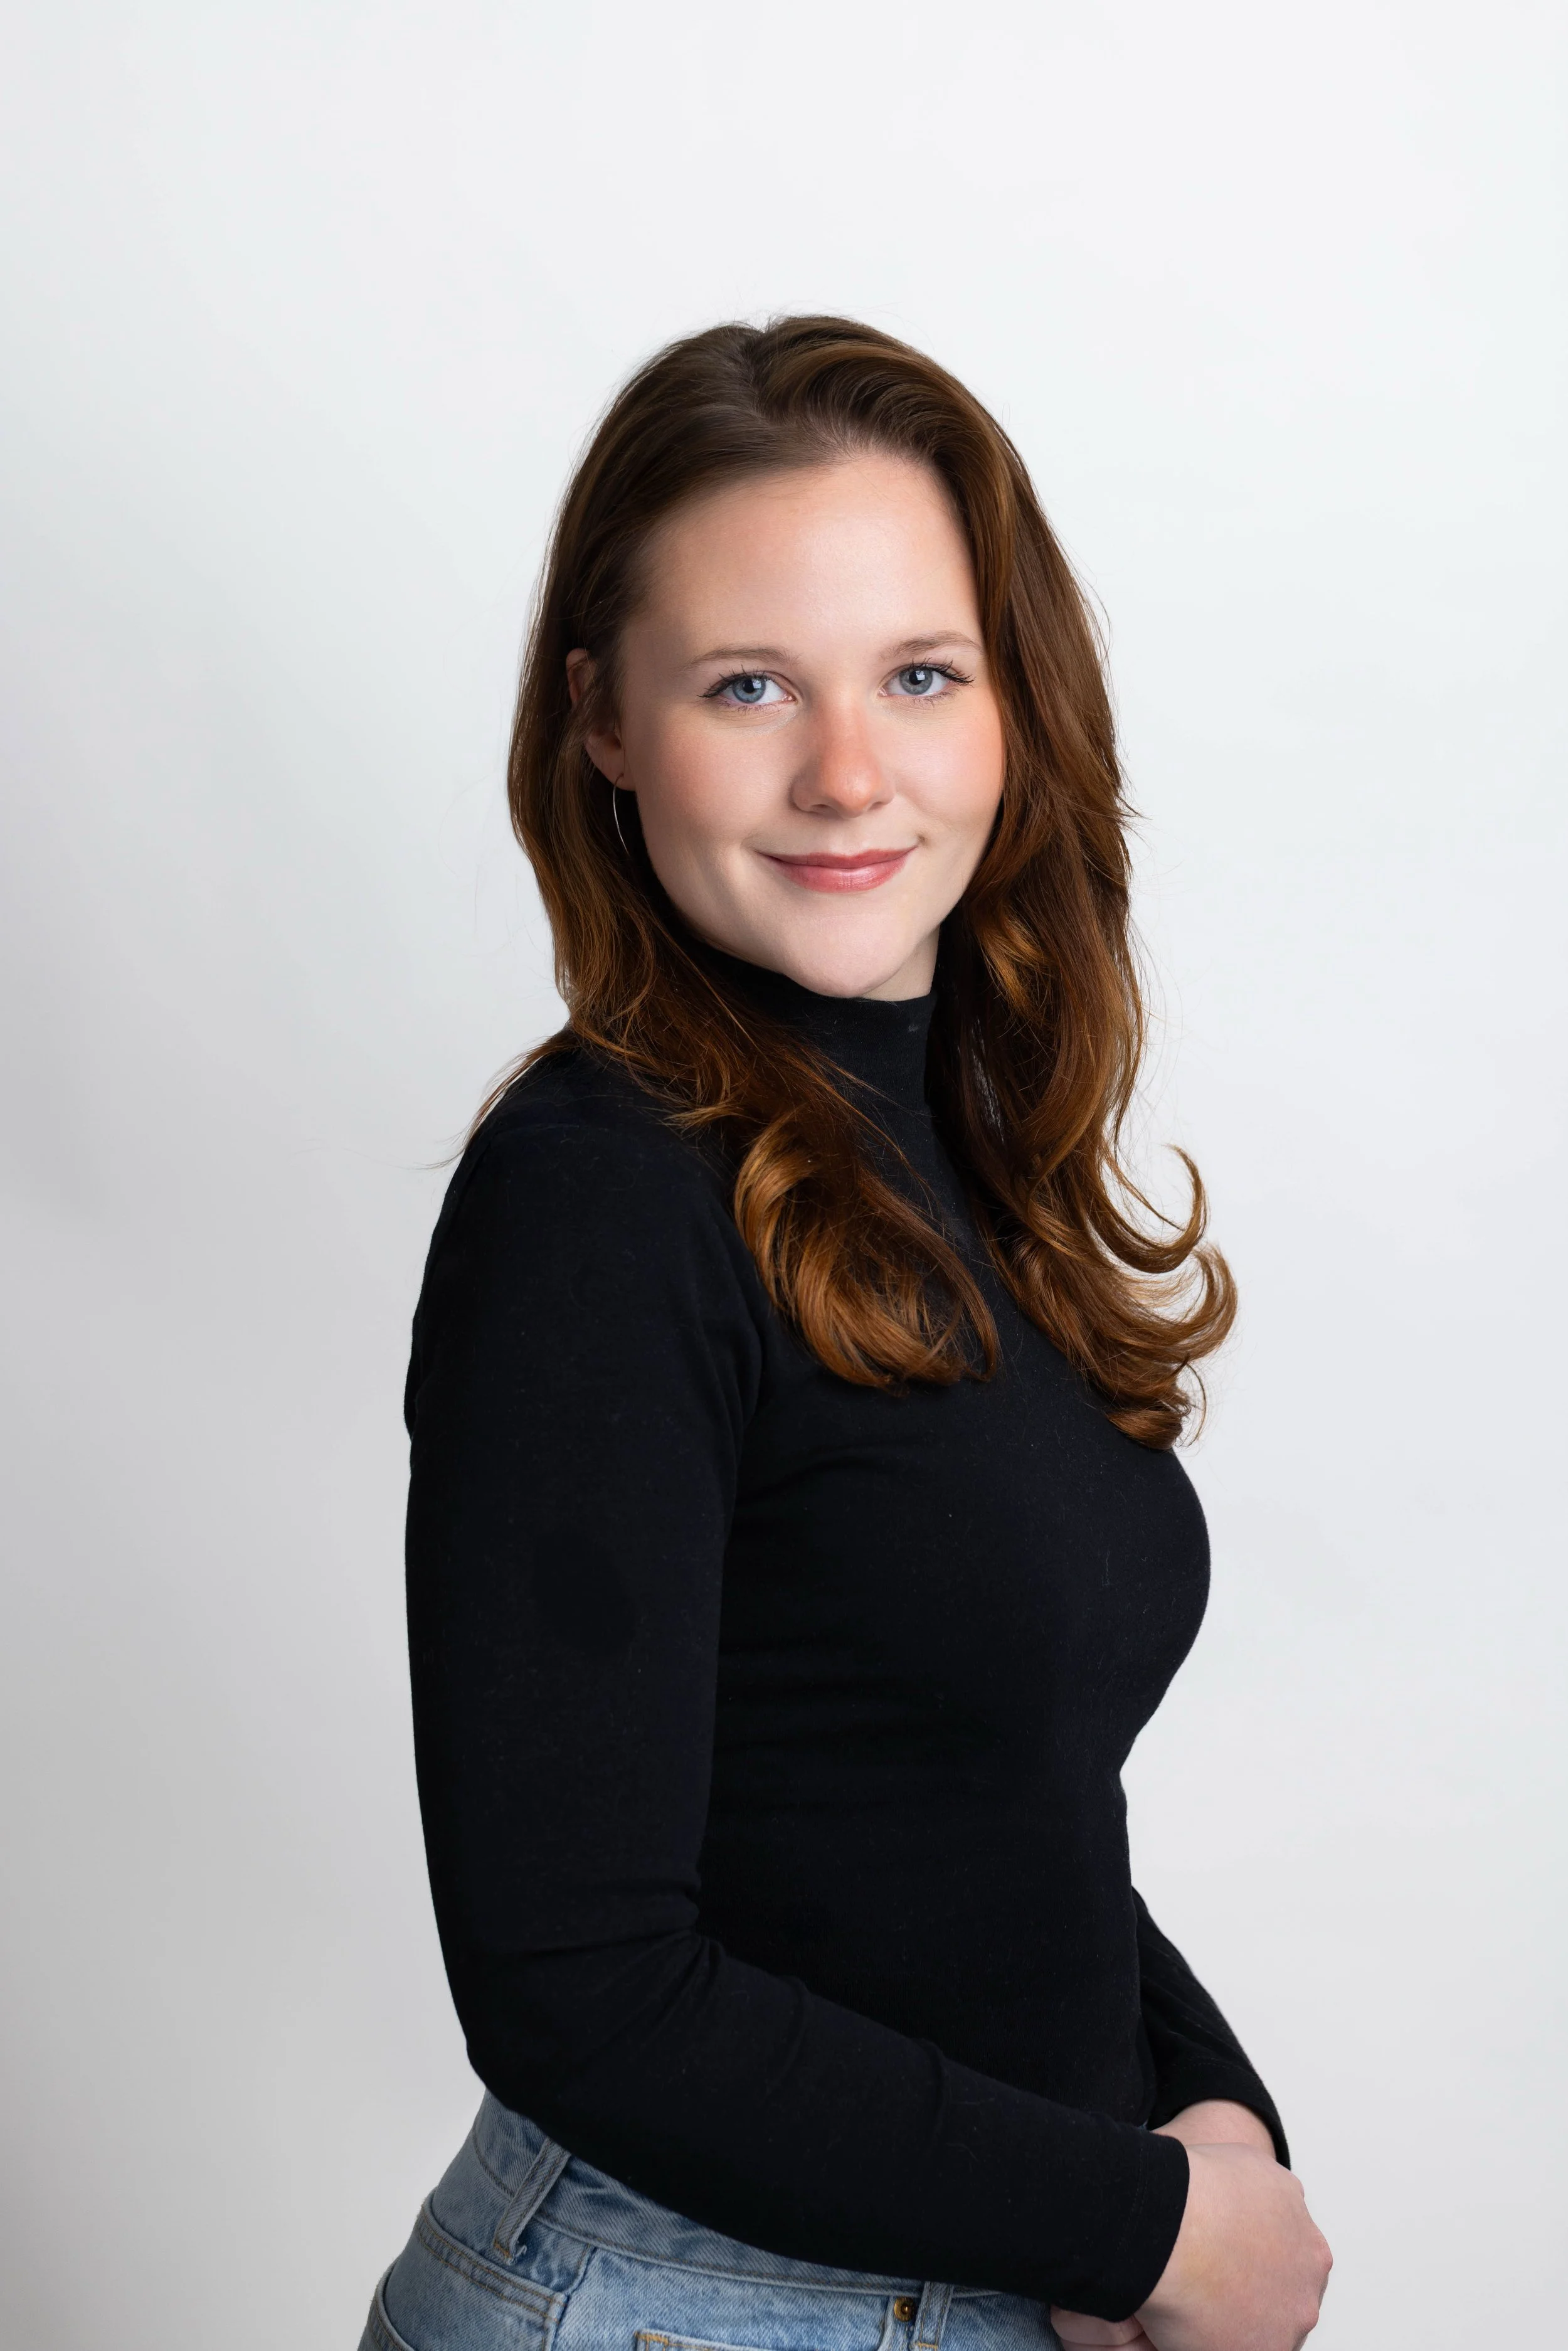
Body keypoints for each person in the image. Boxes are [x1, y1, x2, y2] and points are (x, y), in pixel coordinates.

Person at [359, 317, 1332, 2351]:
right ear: (603, 726)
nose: (846, 774)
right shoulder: (599, 1196)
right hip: (675, 2301)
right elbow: (580, 1981)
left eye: (917, 673)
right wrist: (1137, 2221)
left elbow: (961, 1799)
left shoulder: (942, 1139)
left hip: (945, 2268)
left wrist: (1193, 2108)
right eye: (744, 686)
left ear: (1012, 705)